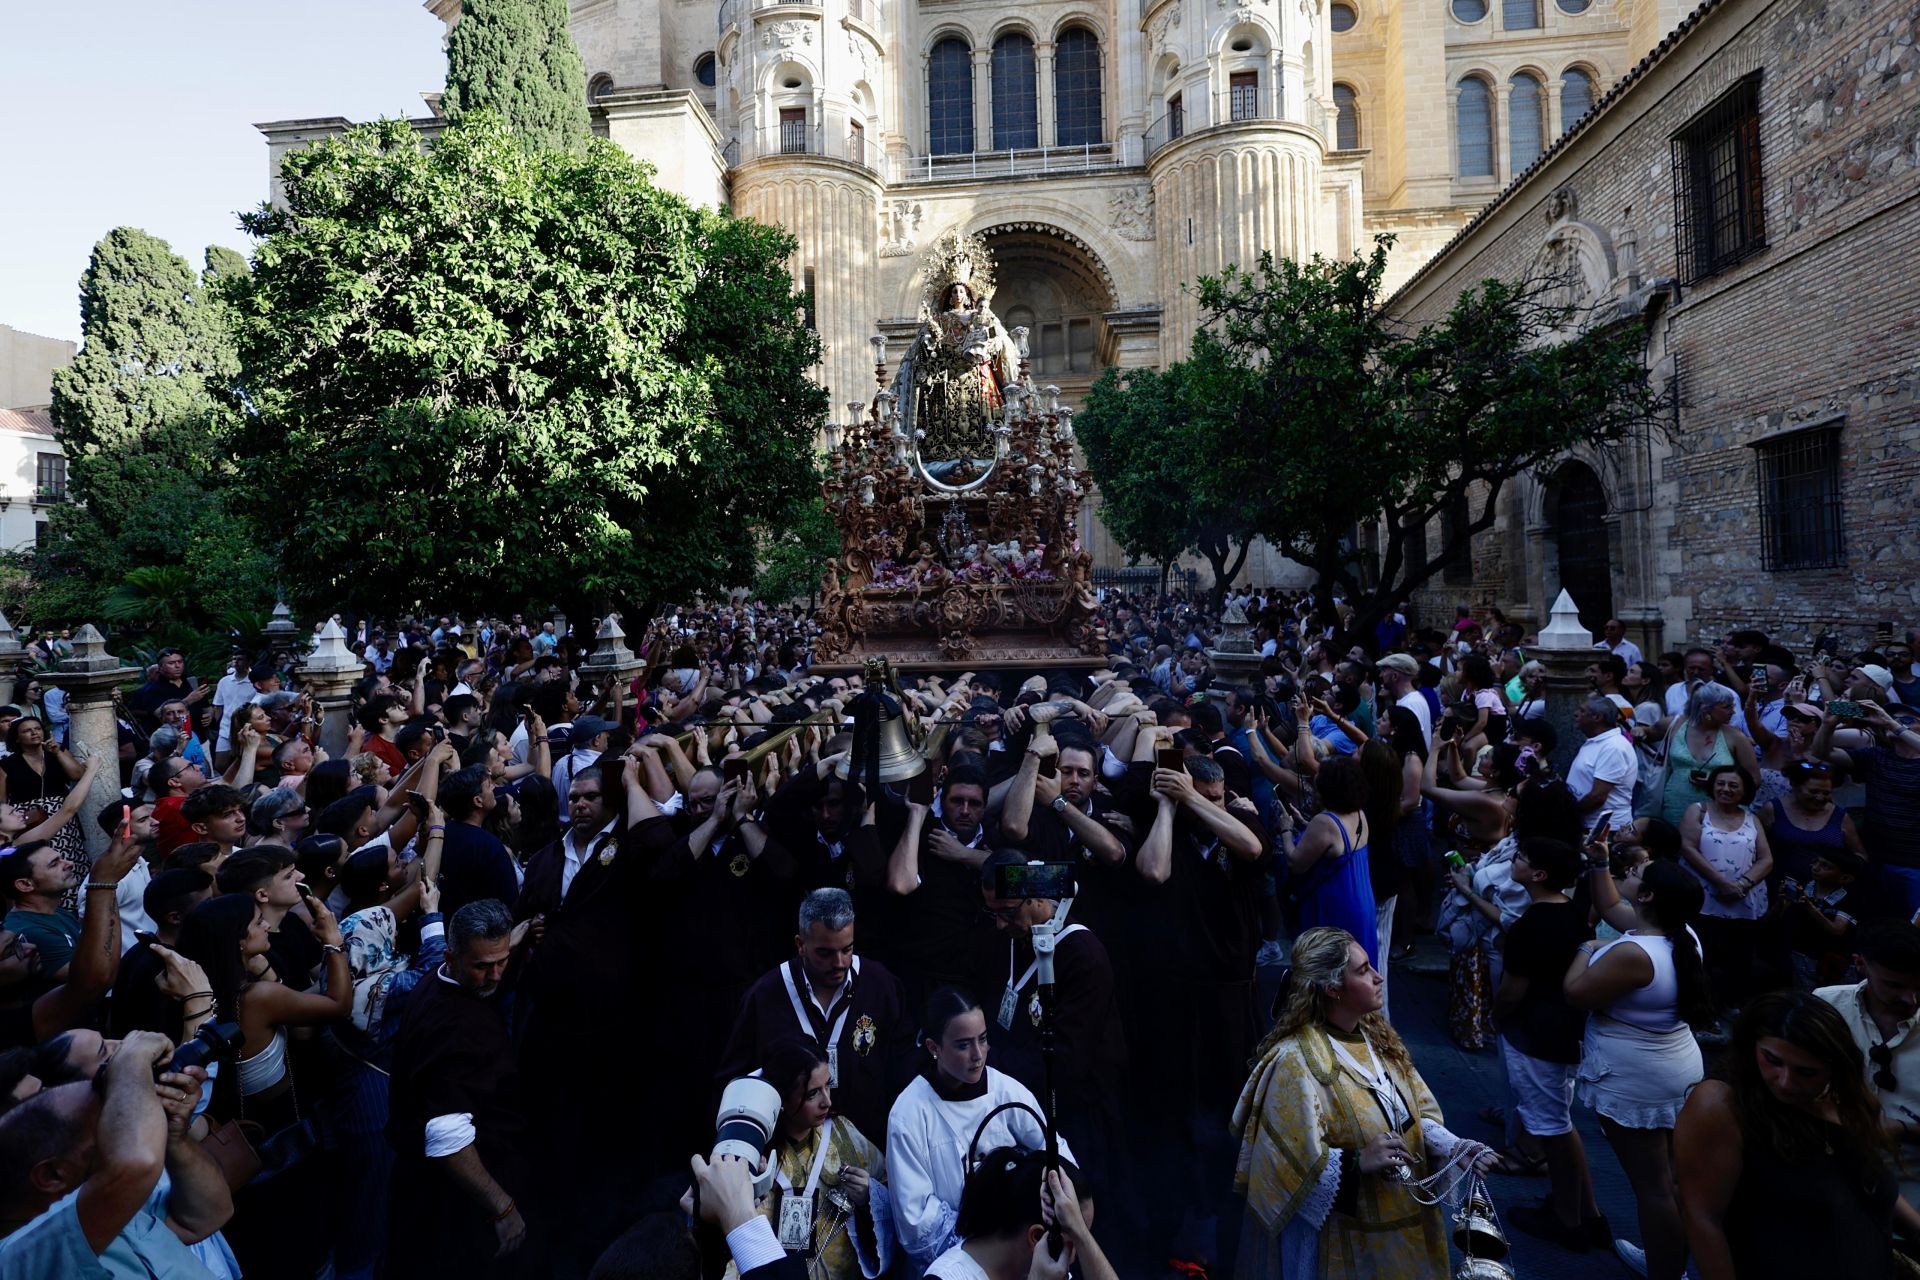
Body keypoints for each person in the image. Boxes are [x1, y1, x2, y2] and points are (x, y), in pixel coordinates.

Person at [1230, 927, 1495, 1278]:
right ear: (1333, 989)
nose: (1378, 975)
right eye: (1363, 970)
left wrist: (1456, 1147)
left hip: (1403, 1228)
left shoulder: (1378, 1038)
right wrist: (1356, 1161)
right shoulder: (1295, 1062)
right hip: (1342, 1238)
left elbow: (1411, 1115)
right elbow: (1281, 1167)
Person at [1675, 991, 1919, 1279]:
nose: (1786, 1081)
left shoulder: (1847, 1100)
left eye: (1806, 1072)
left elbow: (1872, 1184)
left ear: (1834, 1067)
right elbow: (1703, 1220)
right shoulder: (1721, 1106)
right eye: (1772, 1060)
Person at [1564, 850, 1711, 1279]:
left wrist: (1587, 945)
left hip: (1638, 1078)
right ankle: (1670, 1260)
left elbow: (1575, 992)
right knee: (1672, 1177)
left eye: (1636, 874)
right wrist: (1598, 864)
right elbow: (1614, 906)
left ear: (1646, 897)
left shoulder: (1631, 952)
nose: (1627, 873)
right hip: (1676, 1064)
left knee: (1655, 1188)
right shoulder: (1683, 934)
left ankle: (1666, 1272)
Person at [0, 1031, 231, 1279]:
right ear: (52, 1175)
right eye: (38, 1098)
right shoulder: (19, 1259)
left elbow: (206, 1216)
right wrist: (130, 1059)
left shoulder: (94, 1192)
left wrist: (176, 1139)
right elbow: (137, 1164)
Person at [387, 899, 532, 1277]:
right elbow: (447, 1136)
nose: (496, 976)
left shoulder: (436, 980)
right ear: (451, 957)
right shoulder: (456, 1031)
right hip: (454, 1197)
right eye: (482, 966)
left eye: (502, 962)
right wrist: (502, 1208)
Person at [886, 987, 1072, 1272]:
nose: (978, 1054)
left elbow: (1054, 1154)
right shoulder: (910, 1113)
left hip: (1022, 1251)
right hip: (954, 1265)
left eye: (983, 1040)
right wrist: (986, 1247)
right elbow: (916, 1221)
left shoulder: (1007, 1092)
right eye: (963, 1045)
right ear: (934, 1048)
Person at [719, 889, 914, 1154]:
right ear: (801, 944)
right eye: (825, 953)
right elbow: (736, 1084)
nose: (839, 963)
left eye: (847, 949)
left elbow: (903, 1074)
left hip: (869, 1148)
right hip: (785, 1156)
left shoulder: (881, 986)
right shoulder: (765, 996)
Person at [1494, 838, 1606, 1252]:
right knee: (1561, 1124)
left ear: (1539, 875)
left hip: (1536, 1036)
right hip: (1567, 1032)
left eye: (1521, 858)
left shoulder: (1529, 926)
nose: (1513, 860)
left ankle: (1567, 1221)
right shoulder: (1576, 915)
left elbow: (1511, 991)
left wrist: (1497, 1016)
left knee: (1552, 1129)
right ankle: (1588, 1213)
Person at [728, 1038, 893, 1279]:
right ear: (782, 1099)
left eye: (828, 1086)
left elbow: (889, 1185)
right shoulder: (755, 1152)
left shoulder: (844, 1133)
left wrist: (870, 1194)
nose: (827, 1101)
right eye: (812, 1094)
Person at [1817, 922, 1920, 1208]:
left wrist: (1901, 1129)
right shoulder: (1825, 1006)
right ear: (1860, 964)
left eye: (1919, 987)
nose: (1910, 1000)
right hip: (1828, 1173)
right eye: (1894, 985)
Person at [921, 1152, 1113, 1280]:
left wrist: (1079, 1232)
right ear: (1037, 1237)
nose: (1079, 1255)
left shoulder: (1045, 1271)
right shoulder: (948, 1277)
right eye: (1075, 1241)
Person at [1680, 764, 1773, 1009]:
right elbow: (1688, 848)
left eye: (1733, 785)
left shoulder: (1752, 818)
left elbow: (1766, 859)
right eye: (1721, 783)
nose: (1726, 789)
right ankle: (1703, 1010)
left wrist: (1741, 884)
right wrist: (1721, 883)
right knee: (1704, 957)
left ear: (1744, 791)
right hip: (1705, 899)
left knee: (1740, 959)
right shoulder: (1698, 811)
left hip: (1743, 901)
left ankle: (1732, 1006)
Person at [1281, 754, 1376, 964]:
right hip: (1360, 900)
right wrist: (1305, 824)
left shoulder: (1324, 822)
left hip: (1334, 904)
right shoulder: (1359, 813)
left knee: (1332, 968)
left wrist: (1286, 830)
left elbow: (1295, 863)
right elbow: (1334, 845)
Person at [1657, 682, 1759, 826]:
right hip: (1676, 802)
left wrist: (1719, 785)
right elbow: (1648, 732)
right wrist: (1640, 732)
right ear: (1706, 709)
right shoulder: (1676, 724)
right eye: (1726, 707)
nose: (1733, 712)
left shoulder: (1736, 736)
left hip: (1722, 806)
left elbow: (1754, 779)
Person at [1569, 695, 1640, 836]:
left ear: (1597, 717)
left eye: (1582, 711)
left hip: (1603, 829)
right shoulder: (1597, 741)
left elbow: (1598, 796)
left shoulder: (1613, 747)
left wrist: (1568, 813)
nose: (1576, 714)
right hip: (1588, 823)